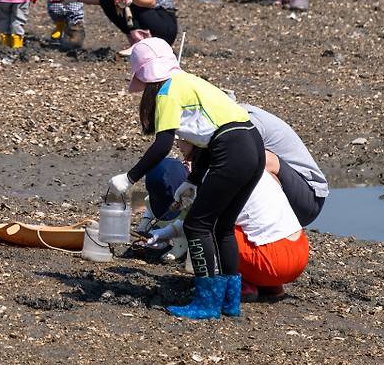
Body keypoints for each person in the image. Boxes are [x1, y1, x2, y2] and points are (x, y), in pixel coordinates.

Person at [107, 38, 265, 320]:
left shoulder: (167, 91)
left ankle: (206, 302)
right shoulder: (190, 81)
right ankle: (230, 302)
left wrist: (129, 178)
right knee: (223, 227)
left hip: (231, 149)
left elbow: (163, 144)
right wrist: (193, 179)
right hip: (252, 144)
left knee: (197, 225)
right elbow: (209, 138)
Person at [144, 154, 310, 303]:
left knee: (215, 232)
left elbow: (203, 226)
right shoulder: (237, 161)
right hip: (299, 251)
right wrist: (170, 232)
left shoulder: (214, 177)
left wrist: (170, 232)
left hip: (273, 262)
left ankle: (243, 286)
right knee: (240, 225)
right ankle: (271, 286)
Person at [243, 103, 328, 226]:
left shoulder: (247, 122)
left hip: (309, 200)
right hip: (292, 194)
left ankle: (270, 225)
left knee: (258, 159)